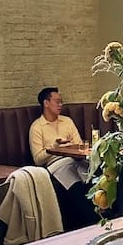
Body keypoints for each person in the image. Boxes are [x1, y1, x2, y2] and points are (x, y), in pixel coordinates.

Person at [28, 87, 96, 230]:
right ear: (46, 103)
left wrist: (71, 147)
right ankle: (91, 223)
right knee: (76, 185)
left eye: (61, 102)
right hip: (55, 164)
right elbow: (38, 159)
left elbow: (79, 146)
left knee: (95, 175)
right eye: (57, 102)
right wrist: (54, 148)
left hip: (76, 160)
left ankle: (107, 215)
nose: (61, 105)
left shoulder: (67, 121)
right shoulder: (37, 127)